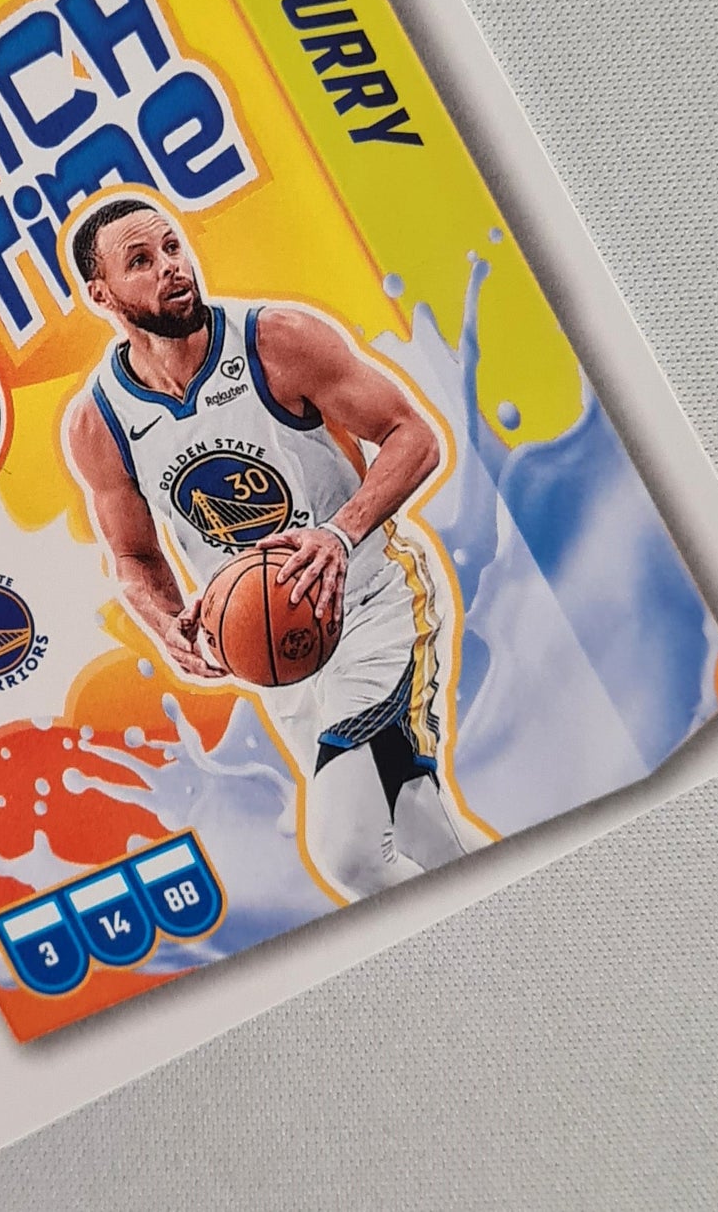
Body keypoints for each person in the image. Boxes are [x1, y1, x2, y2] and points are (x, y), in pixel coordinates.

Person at [62, 196, 470, 898]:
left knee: (349, 853)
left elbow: (413, 436)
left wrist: (338, 533)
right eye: (141, 261)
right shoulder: (99, 421)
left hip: (372, 604)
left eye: (171, 247)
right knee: (414, 826)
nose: (170, 267)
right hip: (277, 647)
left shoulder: (275, 340)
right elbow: (133, 558)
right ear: (102, 295)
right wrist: (167, 623)